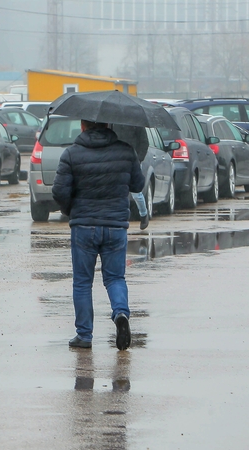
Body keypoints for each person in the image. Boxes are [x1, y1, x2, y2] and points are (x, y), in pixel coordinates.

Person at [52, 119, 145, 351]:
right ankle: (121, 313)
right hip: (116, 226)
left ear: (83, 126)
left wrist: (70, 210)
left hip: (83, 226)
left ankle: (84, 336)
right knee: (115, 278)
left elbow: (59, 191)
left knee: (82, 282)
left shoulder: (71, 154)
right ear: (109, 125)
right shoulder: (126, 151)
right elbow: (138, 185)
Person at [113, 124, 149, 230]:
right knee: (118, 191)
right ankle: (121, 217)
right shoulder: (113, 122)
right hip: (116, 160)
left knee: (136, 193)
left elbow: (144, 142)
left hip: (133, 161)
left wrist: (138, 159)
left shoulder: (137, 124)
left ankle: (143, 214)